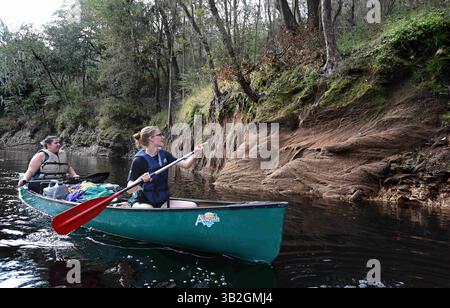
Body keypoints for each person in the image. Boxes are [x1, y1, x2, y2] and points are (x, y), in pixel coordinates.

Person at [127, 126, 203, 208]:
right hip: (143, 202)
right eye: (159, 135)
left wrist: (196, 154)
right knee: (150, 210)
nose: (162, 137)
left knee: (192, 206)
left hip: (162, 201)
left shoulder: (164, 154)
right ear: (151, 138)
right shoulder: (139, 160)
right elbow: (129, 190)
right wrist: (140, 179)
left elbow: (185, 164)